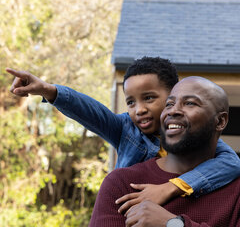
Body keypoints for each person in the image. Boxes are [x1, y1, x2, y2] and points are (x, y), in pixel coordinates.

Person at [85, 76, 240, 227]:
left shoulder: (236, 188)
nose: (173, 111)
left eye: (190, 103)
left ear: (220, 121)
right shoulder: (123, 183)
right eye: (169, 104)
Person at [7, 57, 240, 206]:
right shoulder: (126, 130)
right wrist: (49, 90)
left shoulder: (196, 138)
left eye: (149, 98)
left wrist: (172, 187)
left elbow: (231, 162)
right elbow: (91, 111)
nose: (139, 110)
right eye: (131, 102)